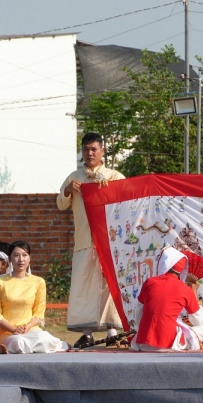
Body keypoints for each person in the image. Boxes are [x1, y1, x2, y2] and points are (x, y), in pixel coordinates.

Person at [57, 132, 126, 342]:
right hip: (84, 241)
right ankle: (86, 333)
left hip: (109, 241)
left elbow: (127, 201)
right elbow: (60, 205)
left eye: (94, 149)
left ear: (102, 151)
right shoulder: (74, 177)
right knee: (83, 286)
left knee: (109, 284)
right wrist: (68, 191)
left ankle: (112, 331)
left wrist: (109, 188)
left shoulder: (114, 176)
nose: (90, 153)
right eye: (86, 149)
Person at [131, 247, 203, 352]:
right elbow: (199, 322)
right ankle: (197, 343)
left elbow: (139, 314)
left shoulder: (149, 282)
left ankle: (195, 342)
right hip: (169, 343)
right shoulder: (185, 289)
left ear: (163, 264)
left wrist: (141, 331)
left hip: (142, 342)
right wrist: (194, 292)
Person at [0, 241, 69, 353]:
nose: (21, 259)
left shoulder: (38, 282)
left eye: (25, 255)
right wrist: (14, 329)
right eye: (16, 255)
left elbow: (38, 314)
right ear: (10, 259)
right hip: (6, 333)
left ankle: (40, 346)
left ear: (29, 258)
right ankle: (36, 348)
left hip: (30, 330)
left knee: (45, 337)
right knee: (18, 342)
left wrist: (27, 327)